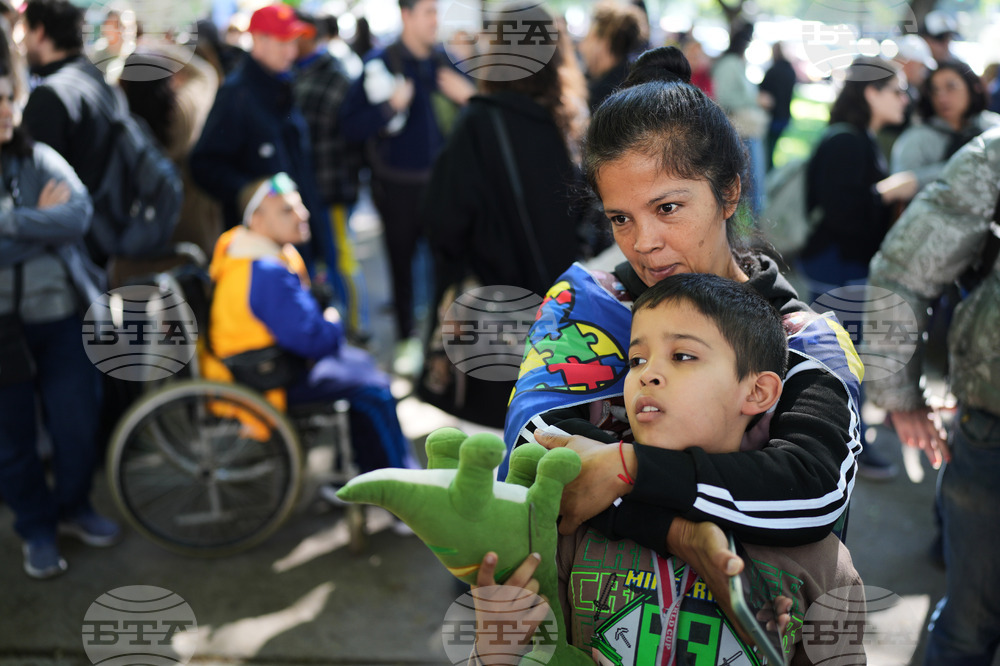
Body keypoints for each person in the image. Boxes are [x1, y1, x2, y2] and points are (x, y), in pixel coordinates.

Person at [501, 47, 864, 606]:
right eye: (620, 218)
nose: (644, 243)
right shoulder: (585, 306)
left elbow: (812, 492)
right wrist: (676, 533)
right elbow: (537, 452)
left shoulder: (805, 340)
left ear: (729, 192)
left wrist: (627, 467)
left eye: (667, 208)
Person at [476, 273, 864, 664]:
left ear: (757, 392)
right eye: (636, 360)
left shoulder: (820, 565)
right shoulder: (573, 525)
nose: (647, 374)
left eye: (682, 356)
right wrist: (495, 651)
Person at [867, 126, 1000, 665]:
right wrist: (900, 396)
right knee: (969, 623)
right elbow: (904, 272)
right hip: (991, 426)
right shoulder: (995, 154)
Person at [418, 9, 589, 427]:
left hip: (493, 315)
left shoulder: (479, 122)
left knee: (490, 439)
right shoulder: (565, 119)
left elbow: (444, 221)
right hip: (559, 315)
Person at [199, 173, 416, 487]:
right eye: (287, 210)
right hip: (266, 378)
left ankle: (362, 474)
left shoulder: (246, 252)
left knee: (364, 366)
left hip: (267, 364)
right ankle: (400, 486)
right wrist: (332, 320)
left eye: (299, 206)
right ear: (256, 221)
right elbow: (315, 341)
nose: (303, 215)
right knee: (374, 389)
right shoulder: (265, 270)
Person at [0, 39, 120, 579]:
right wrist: (38, 225)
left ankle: (75, 507)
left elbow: (77, 215)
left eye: (9, 98)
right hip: (5, 330)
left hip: (62, 317)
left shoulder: (39, 158)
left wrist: (11, 222)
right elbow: (55, 227)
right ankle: (37, 528)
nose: (6, 110)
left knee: (77, 423)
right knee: (13, 440)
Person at [339, 0, 475, 374]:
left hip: (444, 186)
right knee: (402, 266)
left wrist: (468, 97)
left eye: (436, 11)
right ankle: (407, 339)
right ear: (406, 15)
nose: (435, 20)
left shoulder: (445, 62)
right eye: (428, 11)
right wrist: (388, 107)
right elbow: (349, 126)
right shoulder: (381, 63)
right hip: (396, 189)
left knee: (448, 265)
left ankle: (441, 342)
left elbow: (479, 113)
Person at [799, 56, 918, 479]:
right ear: (871, 92)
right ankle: (845, 447)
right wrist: (888, 192)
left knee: (839, 359)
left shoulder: (857, 137)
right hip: (838, 264)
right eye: (897, 90)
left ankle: (841, 443)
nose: (905, 99)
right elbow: (843, 213)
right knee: (840, 363)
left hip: (841, 263)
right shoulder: (847, 141)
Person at [189, 3, 344, 300]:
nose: (291, 51)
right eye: (283, 42)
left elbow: (300, 168)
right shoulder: (236, 95)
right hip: (261, 252)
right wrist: (253, 193)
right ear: (258, 41)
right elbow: (203, 164)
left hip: (296, 237)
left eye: (293, 42)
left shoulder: (283, 84)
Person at [20, 0, 117, 266]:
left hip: (73, 250)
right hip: (106, 234)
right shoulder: (96, 79)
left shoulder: (49, 97)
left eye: (25, 31)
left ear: (40, 32)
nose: (21, 42)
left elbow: (37, 190)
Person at [114, 46, 223, 283]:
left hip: (140, 241)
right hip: (192, 228)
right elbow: (205, 74)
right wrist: (155, 45)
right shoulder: (185, 112)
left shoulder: (122, 129)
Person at [292, 11, 369, 342]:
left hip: (331, 186)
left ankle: (356, 326)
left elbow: (349, 134)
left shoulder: (333, 74)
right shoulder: (299, 72)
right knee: (328, 261)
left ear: (309, 35)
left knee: (340, 258)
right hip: (310, 187)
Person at [891, 59, 1000, 192]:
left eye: (951, 87)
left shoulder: (993, 127)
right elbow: (898, 187)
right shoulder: (916, 138)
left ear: (973, 87)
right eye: (935, 90)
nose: (942, 98)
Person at [712, 21, 767, 213]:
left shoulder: (735, 63)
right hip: (741, 129)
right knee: (749, 181)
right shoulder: (729, 64)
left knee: (753, 181)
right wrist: (755, 100)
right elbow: (725, 97)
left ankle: (753, 219)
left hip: (747, 129)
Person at [578, 1, 647, 112]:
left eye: (588, 38)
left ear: (603, 42)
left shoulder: (603, 96)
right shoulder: (636, 79)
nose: (582, 47)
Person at [758, 41, 797, 170]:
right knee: (771, 147)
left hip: (773, 115)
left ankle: (768, 171)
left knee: (768, 149)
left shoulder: (773, 71)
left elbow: (762, 89)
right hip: (785, 115)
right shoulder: (790, 71)